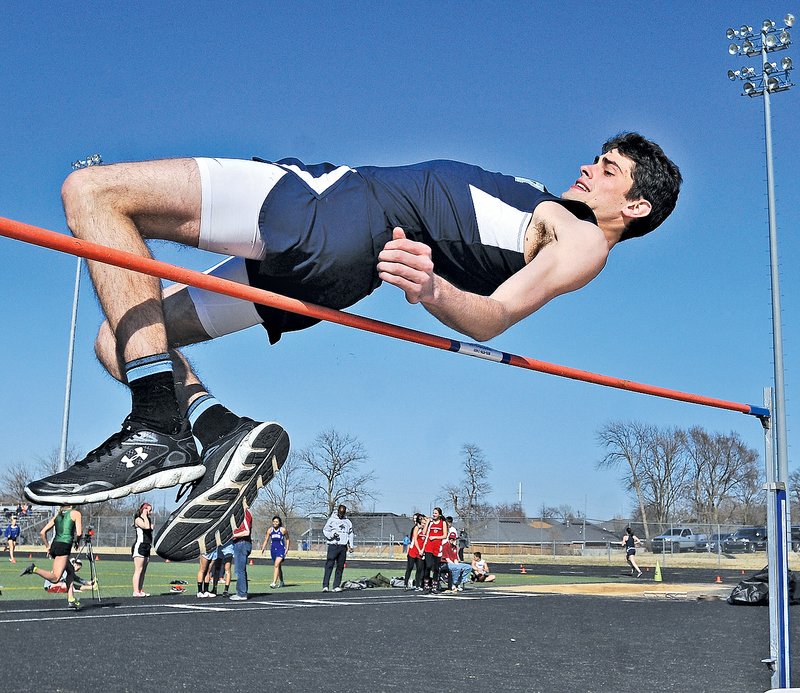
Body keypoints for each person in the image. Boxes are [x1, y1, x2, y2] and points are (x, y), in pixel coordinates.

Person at [24, 135, 681, 563]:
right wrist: (433, 284)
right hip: (341, 269)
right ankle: (216, 429)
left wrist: (431, 289)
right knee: (121, 338)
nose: (589, 167)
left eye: (609, 169)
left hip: (338, 211)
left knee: (93, 191)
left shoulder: (585, 236)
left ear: (639, 205)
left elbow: (495, 317)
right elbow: (494, 305)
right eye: (597, 157)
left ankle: (158, 427)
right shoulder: (558, 219)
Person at [21, 505, 83, 608]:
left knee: (70, 570)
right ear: (72, 505)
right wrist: (77, 542)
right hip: (64, 547)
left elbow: (42, 532)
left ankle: (71, 598)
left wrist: (47, 547)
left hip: (55, 545)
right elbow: (79, 533)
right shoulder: (76, 514)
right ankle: (34, 569)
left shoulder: (57, 515)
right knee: (55, 578)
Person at [322, 504, 354, 592]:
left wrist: (351, 545)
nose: (341, 514)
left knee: (340, 566)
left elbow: (350, 534)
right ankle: (325, 585)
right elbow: (325, 530)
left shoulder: (348, 522)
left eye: (343, 513)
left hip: (342, 547)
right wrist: (332, 535)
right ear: (338, 511)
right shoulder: (332, 520)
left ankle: (336, 585)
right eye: (340, 512)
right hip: (333, 545)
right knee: (329, 565)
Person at [420, 507, 448, 594]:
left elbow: (445, 535)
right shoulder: (431, 523)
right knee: (428, 566)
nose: (434, 515)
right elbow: (424, 533)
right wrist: (427, 523)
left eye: (436, 513)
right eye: (433, 513)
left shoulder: (443, 523)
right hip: (429, 547)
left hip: (437, 547)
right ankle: (426, 585)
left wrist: (435, 537)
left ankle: (435, 586)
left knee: (436, 568)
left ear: (439, 514)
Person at [230, 506, 253, 601]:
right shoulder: (239, 515)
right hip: (239, 543)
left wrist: (232, 535)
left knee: (239, 570)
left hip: (242, 543)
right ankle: (241, 592)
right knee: (240, 570)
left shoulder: (244, 514)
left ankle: (242, 593)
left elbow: (246, 531)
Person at [131, 501, 154, 597]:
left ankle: (140, 590)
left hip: (147, 546)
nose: (151, 512)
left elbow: (150, 527)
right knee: (138, 569)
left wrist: (147, 518)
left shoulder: (147, 519)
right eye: (149, 510)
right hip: (140, 546)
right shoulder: (138, 519)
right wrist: (144, 515)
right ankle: (135, 591)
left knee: (143, 570)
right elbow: (146, 526)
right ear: (144, 510)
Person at [261, 515, 290, 588]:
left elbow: (287, 539)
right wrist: (263, 547)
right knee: (278, 566)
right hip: (273, 550)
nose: (275, 523)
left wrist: (287, 548)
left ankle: (274, 583)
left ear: (279, 522)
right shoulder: (270, 530)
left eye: (276, 521)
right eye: (274, 521)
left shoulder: (283, 530)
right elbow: (266, 539)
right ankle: (282, 581)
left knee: (276, 565)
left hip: (281, 549)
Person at [403, 513, 424, 590]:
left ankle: (417, 585)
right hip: (413, 551)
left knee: (419, 568)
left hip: (420, 552)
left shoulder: (424, 529)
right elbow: (414, 540)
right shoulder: (415, 528)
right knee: (410, 567)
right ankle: (405, 584)